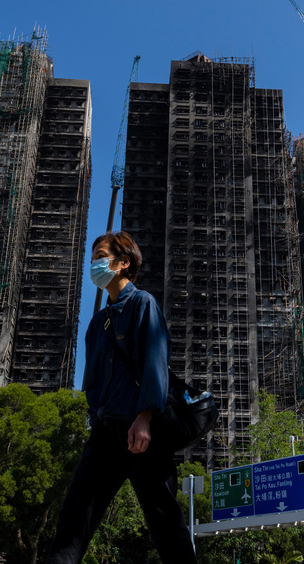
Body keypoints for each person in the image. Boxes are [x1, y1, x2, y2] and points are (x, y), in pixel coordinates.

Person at [45, 231, 198, 564]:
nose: (94, 263)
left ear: (124, 262)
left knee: (164, 521)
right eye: (93, 258)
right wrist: (94, 421)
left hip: (142, 429)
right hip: (104, 431)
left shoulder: (143, 304)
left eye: (101, 255)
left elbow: (155, 360)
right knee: (75, 516)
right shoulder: (98, 322)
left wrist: (144, 417)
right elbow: (93, 382)